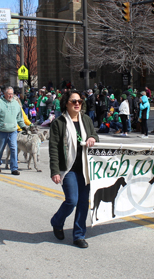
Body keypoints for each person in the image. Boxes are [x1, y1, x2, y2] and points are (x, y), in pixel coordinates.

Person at [49, 90, 98, 248]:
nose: (77, 103)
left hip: (85, 168)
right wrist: (55, 171)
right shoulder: (59, 123)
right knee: (72, 200)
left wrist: (92, 138)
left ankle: (78, 235)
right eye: (73, 101)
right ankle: (57, 221)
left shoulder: (86, 120)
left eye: (80, 101)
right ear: (66, 104)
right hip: (68, 168)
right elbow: (54, 149)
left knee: (83, 203)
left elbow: (95, 136)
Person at [0, 86, 28, 175]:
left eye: (12, 94)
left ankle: (14, 168)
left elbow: (19, 118)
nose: (10, 96)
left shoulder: (16, 104)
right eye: (9, 94)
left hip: (13, 131)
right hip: (1, 131)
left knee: (14, 149)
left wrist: (23, 126)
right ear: (4, 94)